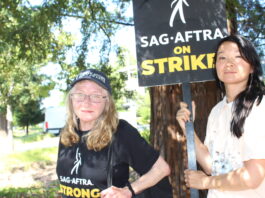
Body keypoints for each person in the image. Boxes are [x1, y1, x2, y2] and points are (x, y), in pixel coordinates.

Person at [56, 68, 171, 198]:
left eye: (96, 96)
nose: (86, 102)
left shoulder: (120, 132)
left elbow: (161, 169)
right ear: (71, 99)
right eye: (79, 94)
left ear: (107, 102)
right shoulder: (67, 133)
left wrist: (129, 191)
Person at [176, 35, 265, 198]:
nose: (229, 63)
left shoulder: (260, 106)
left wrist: (206, 182)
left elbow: (253, 176)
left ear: (252, 66)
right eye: (222, 57)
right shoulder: (217, 110)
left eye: (238, 56)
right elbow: (213, 166)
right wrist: (187, 127)